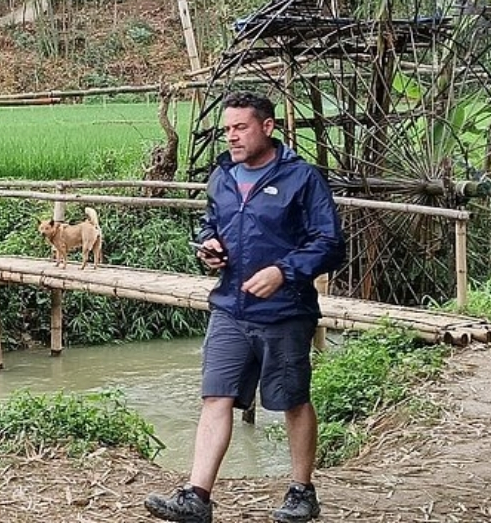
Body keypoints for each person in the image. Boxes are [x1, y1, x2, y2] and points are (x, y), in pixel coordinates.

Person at [145, 92, 345, 523]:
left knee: (292, 400)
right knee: (215, 396)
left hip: (285, 311)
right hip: (230, 307)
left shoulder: (302, 178)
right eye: (227, 128)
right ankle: (197, 497)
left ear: (267, 127)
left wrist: (284, 271)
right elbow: (210, 225)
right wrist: (208, 247)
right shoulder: (223, 177)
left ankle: (301, 491)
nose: (231, 137)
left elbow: (329, 244)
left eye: (241, 128)